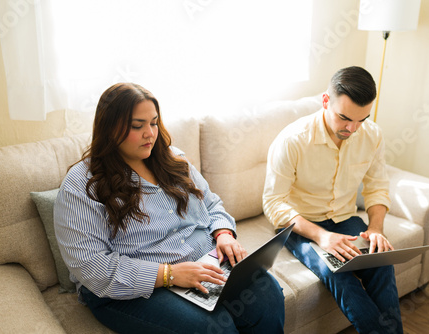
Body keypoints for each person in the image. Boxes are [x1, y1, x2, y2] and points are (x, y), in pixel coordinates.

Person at [54, 83, 285, 334]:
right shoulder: (81, 186)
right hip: (132, 290)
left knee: (268, 295)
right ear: (110, 128)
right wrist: (169, 275)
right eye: (137, 126)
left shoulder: (172, 159)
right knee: (213, 328)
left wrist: (223, 233)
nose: (150, 134)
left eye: (153, 123)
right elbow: (93, 268)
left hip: (201, 264)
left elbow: (211, 203)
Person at [263, 66, 403, 334]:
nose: (352, 128)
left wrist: (375, 229)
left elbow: (377, 187)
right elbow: (273, 203)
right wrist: (322, 237)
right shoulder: (292, 140)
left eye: (361, 119)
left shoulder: (372, 135)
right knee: (338, 273)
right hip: (300, 224)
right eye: (344, 118)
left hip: (345, 218)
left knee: (381, 262)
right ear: (326, 101)